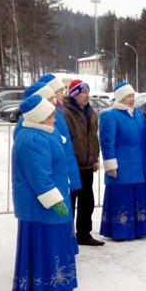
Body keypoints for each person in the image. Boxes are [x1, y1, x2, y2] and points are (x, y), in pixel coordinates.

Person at [11, 95, 77, 291]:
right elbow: (39, 176)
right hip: (39, 205)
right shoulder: (33, 138)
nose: (55, 119)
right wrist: (55, 201)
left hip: (48, 200)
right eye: (51, 115)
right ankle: (44, 285)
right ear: (39, 117)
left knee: (52, 241)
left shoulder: (43, 133)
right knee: (45, 242)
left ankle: (54, 282)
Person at [99, 83, 146, 239]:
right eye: (128, 97)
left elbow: (145, 139)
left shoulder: (138, 114)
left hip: (138, 164)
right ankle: (121, 230)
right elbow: (106, 142)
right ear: (120, 98)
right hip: (121, 165)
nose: (132, 99)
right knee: (122, 196)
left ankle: (140, 229)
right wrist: (110, 164)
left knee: (138, 195)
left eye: (132, 96)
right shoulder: (110, 115)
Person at [14, 82, 82, 194]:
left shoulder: (52, 118)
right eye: (51, 98)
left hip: (59, 178)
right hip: (48, 186)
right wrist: (50, 194)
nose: (55, 101)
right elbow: (35, 168)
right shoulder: (31, 131)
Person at [63, 80, 103, 246]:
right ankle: (67, 234)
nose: (87, 95)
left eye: (88, 92)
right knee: (70, 200)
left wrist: (95, 158)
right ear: (74, 94)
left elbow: (93, 137)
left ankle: (84, 234)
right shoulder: (66, 112)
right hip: (72, 164)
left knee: (87, 201)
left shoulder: (90, 111)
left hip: (87, 163)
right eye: (83, 92)